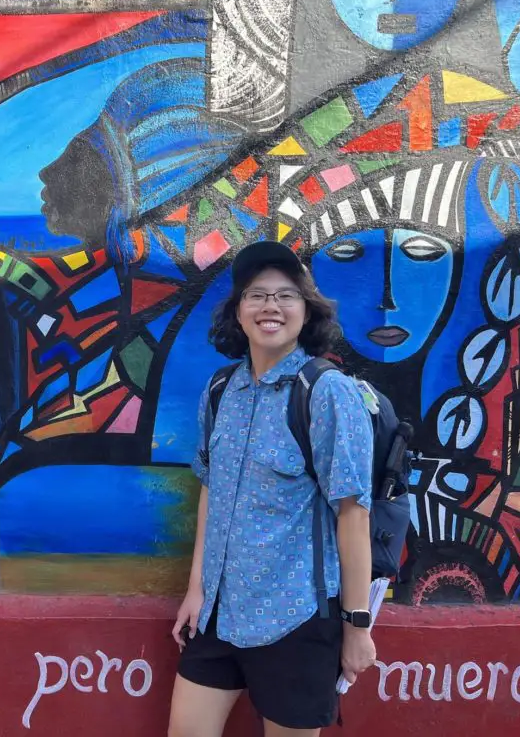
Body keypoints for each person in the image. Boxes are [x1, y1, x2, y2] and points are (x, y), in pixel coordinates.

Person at [167, 241, 377, 736]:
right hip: (218, 613)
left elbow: (353, 513)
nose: (270, 306)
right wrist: (196, 588)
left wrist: (356, 626)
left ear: (306, 312)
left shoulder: (327, 393)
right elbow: (211, 491)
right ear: (238, 311)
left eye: (286, 295)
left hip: (296, 618)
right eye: (257, 294)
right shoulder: (221, 391)